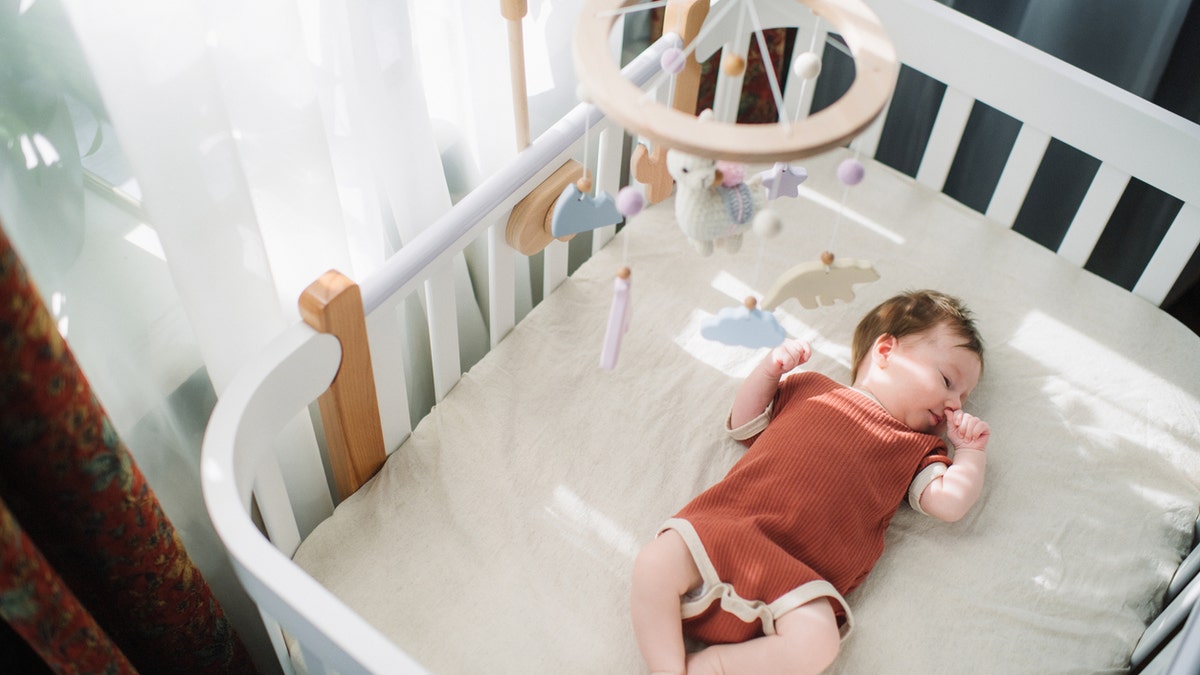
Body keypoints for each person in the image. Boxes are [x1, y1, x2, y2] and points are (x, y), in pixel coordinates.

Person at [630, 289, 991, 675]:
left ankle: (712, 667)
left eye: (964, 398)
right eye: (947, 380)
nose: (955, 404)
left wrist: (970, 453)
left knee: (820, 642)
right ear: (886, 351)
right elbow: (742, 424)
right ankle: (667, 667)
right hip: (727, 529)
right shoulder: (810, 388)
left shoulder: (919, 449)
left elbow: (949, 503)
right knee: (655, 561)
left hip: (799, 576)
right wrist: (769, 371)